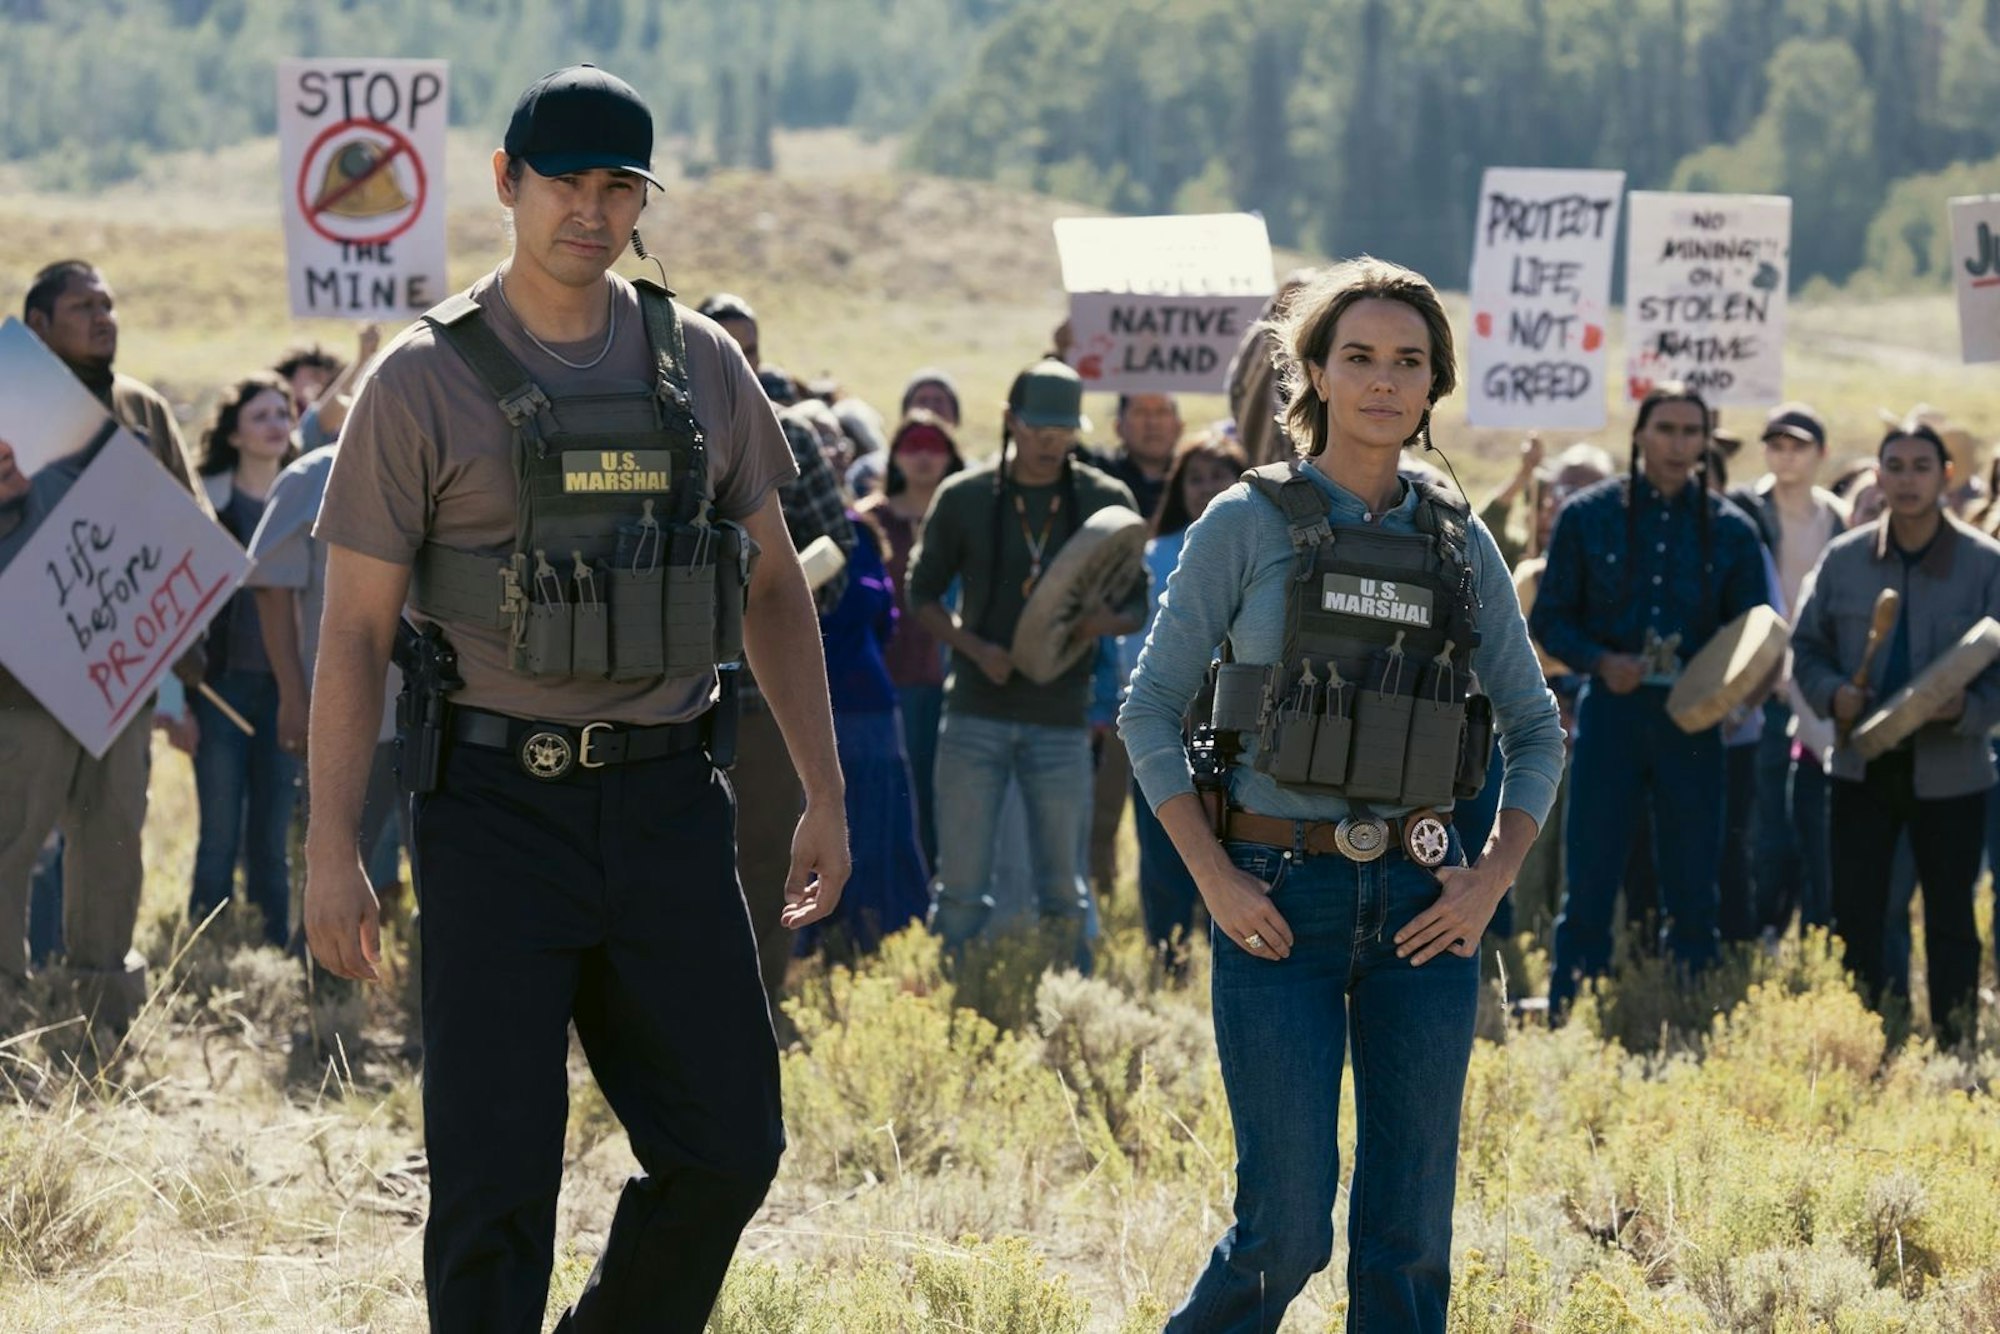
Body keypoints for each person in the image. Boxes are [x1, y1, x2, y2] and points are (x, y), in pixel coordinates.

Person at [302, 65, 848, 1331]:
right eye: (565, 183)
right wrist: (333, 842)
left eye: (619, 189)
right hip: (494, 807)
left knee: (729, 1145)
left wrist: (822, 788)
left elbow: (771, 588)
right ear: (504, 181)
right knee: (494, 1181)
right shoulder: (418, 379)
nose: (590, 213)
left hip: (665, 800)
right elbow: (353, 634)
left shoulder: (698, 361)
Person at [1119, 258, 1563, 1330]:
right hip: (1276, 903)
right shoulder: (1245, 520)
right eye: (1356, 356)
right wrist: (1215, 878)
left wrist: (1486, 883)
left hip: (1421, 910)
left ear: (1431, 384)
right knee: (1284, 1228)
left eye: (1406, 361)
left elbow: (1535, 727)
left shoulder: (1456, 537)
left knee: (1407, 1241)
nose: (1381, 380)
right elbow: (1149, 713)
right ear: (1311, 370)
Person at [0, 260, 209, 1029]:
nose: (103, 317)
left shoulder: (143, 411)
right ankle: (2, 1038)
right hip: (17, 684)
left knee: (114, 841)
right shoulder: (3, 404)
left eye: (110, 305)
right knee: (8, 847)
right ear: (38, 325)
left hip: (121, 680)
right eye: (83, 306)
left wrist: (188, 640)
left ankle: (99, 1025)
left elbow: (191, 528)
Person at [1531, 383, 1769, 1014]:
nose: (1678, 444)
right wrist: (1600, 661)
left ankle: (1689, 1007)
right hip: (1611, 712)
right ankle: (1572, 1006)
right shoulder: (1588, 516)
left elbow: (1756, 635)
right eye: (1666, 429)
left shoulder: (1732, 531)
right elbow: (1550, 619)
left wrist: (1725, 694)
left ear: (1706, 441)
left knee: (1695, 873)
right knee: (1591, 868)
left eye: (1692, 432)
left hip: (1692, 721)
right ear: (1639, 435)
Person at [907, 358, 1145, 971]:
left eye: (1062, 430)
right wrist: (973, 648)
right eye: (1038, 428)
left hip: (1061, 720)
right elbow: (921, 592)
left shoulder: (1102, 498)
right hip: (974, 715)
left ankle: (1072, 1007)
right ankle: (957, 1007)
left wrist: (1093, 624)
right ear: (1011, 421)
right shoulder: (963, 497)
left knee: (1064, 889)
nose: (1050, 442)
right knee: (959, 889)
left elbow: (1137, 605)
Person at [1791, 421, 2000, 1050]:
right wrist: (1835, 694)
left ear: (1946, 477)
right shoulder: (1845, 559)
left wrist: (1967, 707)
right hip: (1860, 767)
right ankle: (1874, 1038)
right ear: (1877, 476)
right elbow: (1806, 648)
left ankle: (1954, 1042)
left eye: (1920, 467)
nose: (1907, 479)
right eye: (1895, 467)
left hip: (1954, 770)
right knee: (1858, 913)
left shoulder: (1985, 564)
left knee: (1951, 919)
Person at [244, 438, 407, 920]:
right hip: (356, 714)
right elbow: (270, 588)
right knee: (339, 865)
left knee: (452, 873)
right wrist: (294, 699)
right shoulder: (310, 477)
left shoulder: (458, 450)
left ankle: (428, 988)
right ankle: (322, 983)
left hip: (446, 712)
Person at [1123, 430, 1246, 967]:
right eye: (1194, 478)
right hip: (1165, 720)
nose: (1205, 487)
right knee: (1162, 844)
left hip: (1235, 726)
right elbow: (1133, 644)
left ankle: (1231, 947)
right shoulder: (1157, 553)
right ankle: (1168, 955)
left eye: (1217, 475)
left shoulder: (1260, 546)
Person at [191, 374, 302, 946]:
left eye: (283, 414)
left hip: (289, 690)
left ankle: (275, 946)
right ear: (233, 433)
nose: (276, 425)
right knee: (219, 827)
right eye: (260, 416)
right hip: (219, 689)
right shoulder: (207, 502)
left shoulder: (308, 497)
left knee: (273, 830)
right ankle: (206, 945)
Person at [1728, 404, 1846, 936]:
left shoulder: (1837, 518)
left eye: (1798, 444)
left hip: (1819, 686)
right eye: (1776, 444)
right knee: (1764, 821)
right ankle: (1764, 927)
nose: (1785, 454)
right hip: (1764, 687)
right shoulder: (1748, 510)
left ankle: (1819, 928)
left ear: (1820, 453)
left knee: (1818, 819)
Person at [795, 510, 930, 960]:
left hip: (864, 706)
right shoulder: (760, 515)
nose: (830, 452)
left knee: (871, 832)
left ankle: (865, 948)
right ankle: (799, 951)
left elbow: (884, 617)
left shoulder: (857, 531)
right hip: (793, 705)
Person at [856, 410, 964, 867]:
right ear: (895, 454)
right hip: (885, 676)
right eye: (912, 444)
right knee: (895, 788)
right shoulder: (868, 520)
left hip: (954, 678)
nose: (923, 456)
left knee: (943, 788)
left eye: (934, 446)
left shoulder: (965, 516)